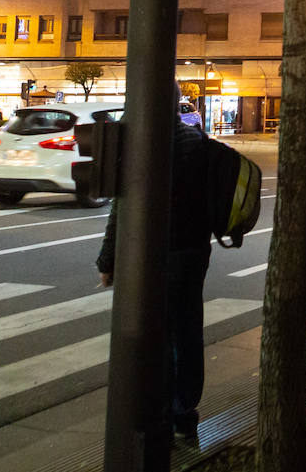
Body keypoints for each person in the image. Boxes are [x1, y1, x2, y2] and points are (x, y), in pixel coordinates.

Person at [95, 88, 211, 440]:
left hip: (156, 252)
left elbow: (121, 206)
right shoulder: (196, 138)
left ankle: (159, 416)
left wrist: (107, 258)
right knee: (188, 329)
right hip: (194, 250)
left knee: (157, 336)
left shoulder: (144, 146)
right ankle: (184, 412)